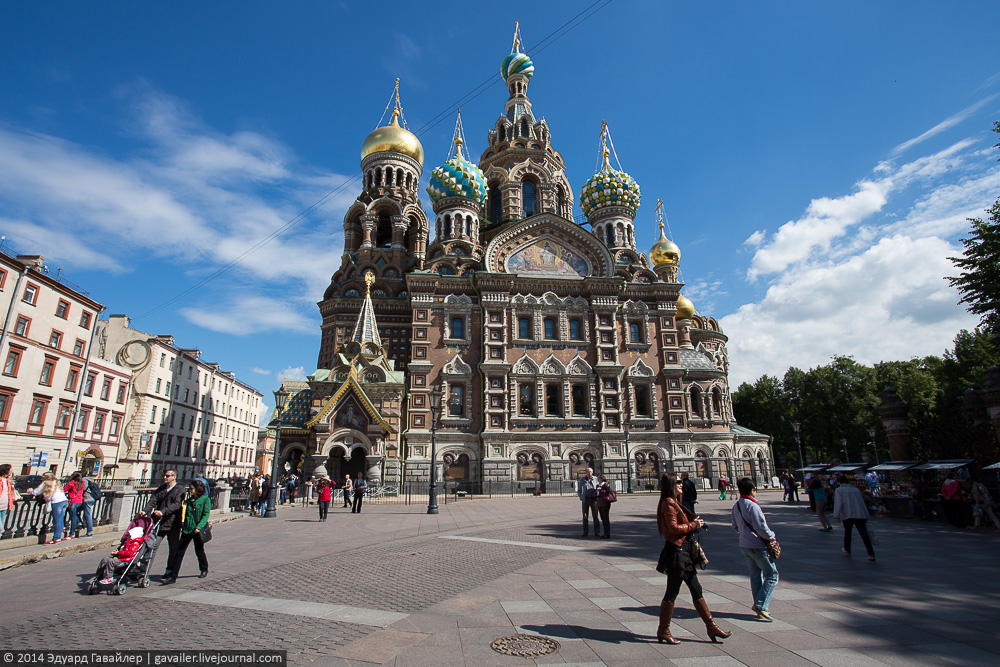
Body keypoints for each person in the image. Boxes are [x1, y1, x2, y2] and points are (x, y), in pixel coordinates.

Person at [654, 472, 732, 644]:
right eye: (678, 483)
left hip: (684, 552)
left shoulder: (674, 502)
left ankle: (711, 626)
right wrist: (694, 525)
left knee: (696, 589)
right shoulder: (668, 503)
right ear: (671, 485)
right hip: (677, 553)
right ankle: (663, 630)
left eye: (682, 482)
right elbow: (673, 529)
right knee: (672, 593)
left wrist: (693, 523)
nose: (682, 485)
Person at [731, 476, 780, 622]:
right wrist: (771, 536)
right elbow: (761, 527)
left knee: (755, 576)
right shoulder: (753, 506)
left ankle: (760, 607)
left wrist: (745, 535)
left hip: (744, 545)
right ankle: (760, 605)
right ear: (752, 490)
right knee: (772, 575)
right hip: (757, 546)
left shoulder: (736, 505)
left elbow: (734, 525)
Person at [142, 470, 186, 584]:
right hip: (159, 524)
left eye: (167, 476)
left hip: (173, 525)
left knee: (173, 550)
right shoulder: (161, 489)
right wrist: (145, 511)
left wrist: (163, 511)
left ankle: (169, 571)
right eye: (164, 475)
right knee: (151, 547)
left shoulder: (180, 489)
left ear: (174, 477)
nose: (165, 477)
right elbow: (153, 500)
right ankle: (144, 571)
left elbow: (177, 504)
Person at [170, 479, 210, 581]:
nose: (190, 490)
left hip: (197, 530)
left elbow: (205, 515)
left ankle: (204, 568)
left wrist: (199, 527)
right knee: (179, 552)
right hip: (187, 530)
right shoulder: (189, 500)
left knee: (199, 550)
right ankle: (173, 575)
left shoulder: (205, 500)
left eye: (191, 489)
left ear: (198, 489)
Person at [832, 476, 875, 561]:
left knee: (848, 533)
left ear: (839, 482)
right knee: (864, 534)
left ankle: (847, 549)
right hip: (860, 514)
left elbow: (838, 503)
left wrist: (836, 515)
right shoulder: (855, 490)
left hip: (848, 514)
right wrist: (866, 514)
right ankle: (871, 553)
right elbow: (861, 502)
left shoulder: (839, 490)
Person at [31, 471, 68, 545]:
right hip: (64, 500)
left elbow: (36, 492)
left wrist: (30, 491)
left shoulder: (46, 483)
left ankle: (56, 538)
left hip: (57, 502)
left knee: (56, 521)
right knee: (60, 520)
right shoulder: (56, 482)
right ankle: (58, 536)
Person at [576, 467, 600, 537]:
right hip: (585, 499)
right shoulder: (582, 480)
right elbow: (579, 490)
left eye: (590, 472)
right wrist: (581, 497)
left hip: (594, 500)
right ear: (586, 472)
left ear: (592, 472)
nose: (589, 473)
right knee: (585, 516)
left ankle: (597, 531)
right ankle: (585, 531)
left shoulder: (596, 479)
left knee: (595, 516)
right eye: (588, 472)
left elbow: (599, 487)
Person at [80, 473, 99, 537]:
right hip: (92, 498)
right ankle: (79, 524)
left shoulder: (83, 481)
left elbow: (82, 489)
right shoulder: (91, 480)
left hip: (87, 499)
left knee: (88, 515)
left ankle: (89, 532)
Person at [594, 475, 613, 539]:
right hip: (599, 503)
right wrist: (596, 492)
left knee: (606, 519)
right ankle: (605, 533)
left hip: (605, 503)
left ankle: (607, 534)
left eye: (598, 478)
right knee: (603, 519)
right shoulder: (598, 485)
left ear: (602, 479)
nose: (597, 479)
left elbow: (610, 492)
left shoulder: (605, 485)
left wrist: (605, 489)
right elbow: (596, 494)